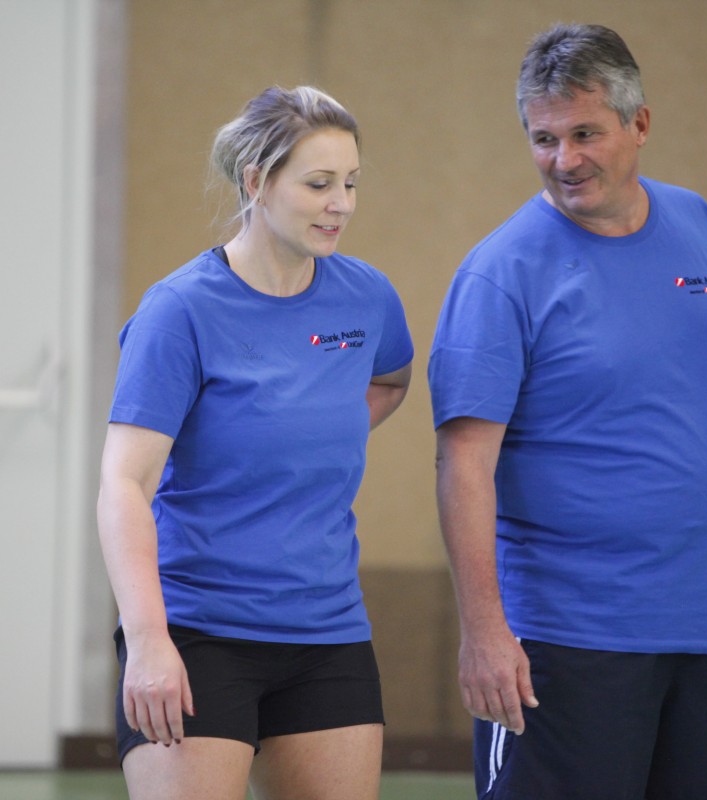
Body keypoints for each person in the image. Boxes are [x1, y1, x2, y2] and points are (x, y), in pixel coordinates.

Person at [428, 23, 707, 800]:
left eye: (585, 134)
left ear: (639, 123)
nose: (564, 160)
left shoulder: (697, 222)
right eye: (543, 139)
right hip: (563, 642)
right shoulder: (501, 273)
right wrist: (485, 632)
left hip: (705, 629)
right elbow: (464, 460)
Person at [96, 85, 413, 800]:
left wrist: (300, 440)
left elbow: (390, 380)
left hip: (327, 631)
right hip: (197, 633)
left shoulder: (367, 298)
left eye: (351, 183)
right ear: (256, 181)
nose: (341, 204)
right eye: (319, 184)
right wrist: (147, 641)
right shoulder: (179, 311)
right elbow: (124, 484)